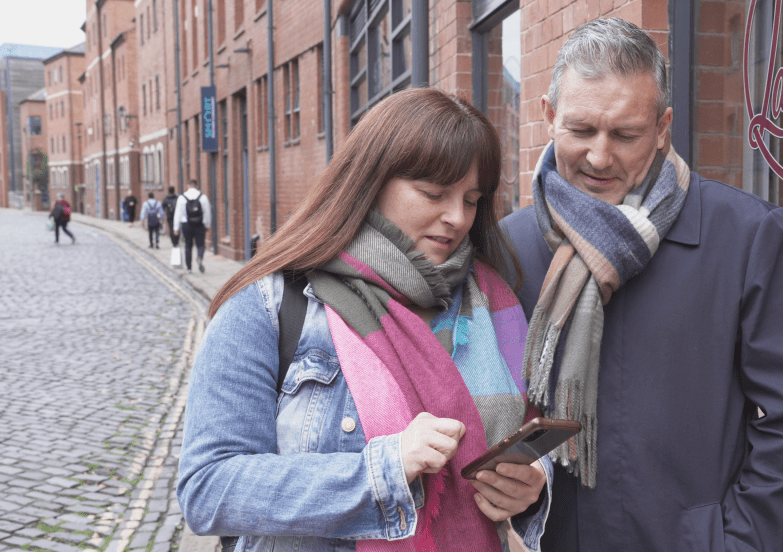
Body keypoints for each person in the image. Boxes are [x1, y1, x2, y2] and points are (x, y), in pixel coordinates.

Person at [499, 18, 783, 552]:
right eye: (581, 130)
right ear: (548, 117)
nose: (599, 156)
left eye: (625, 134)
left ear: (663, 127)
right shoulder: (509, 249)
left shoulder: (748, 238)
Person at [177, 89, 551, 552]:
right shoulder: (270, 307)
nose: (456, 217)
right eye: (434, 193)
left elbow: (526, 431)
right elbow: (208, 489)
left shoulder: (497, 303)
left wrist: (532, 484)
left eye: (471, 200)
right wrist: (382, 470)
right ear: (372, 182)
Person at [172, 180, 211, 273]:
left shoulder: (182, 197)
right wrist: (208, 224)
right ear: (197, 186)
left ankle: (189, 268)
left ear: (187, 186)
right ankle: (200, 257)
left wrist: (175, 228)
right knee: (200, 244)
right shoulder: (203, 197)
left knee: (188, 245)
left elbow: (178, 214)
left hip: (186, 224)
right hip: (199, 224)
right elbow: (207, 212)